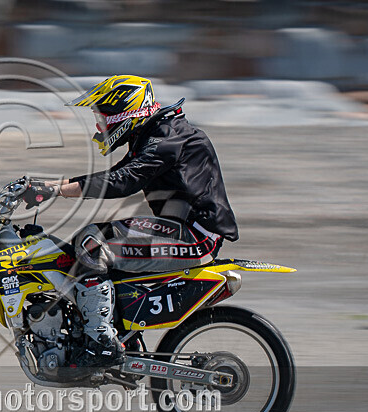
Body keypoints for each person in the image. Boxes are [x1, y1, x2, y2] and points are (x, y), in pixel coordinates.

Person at [22, 75, 238, 363]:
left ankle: (100, 343)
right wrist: (44, 185)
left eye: (103, 115)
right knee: (81, 247)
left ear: (128, 110)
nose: (100, 124)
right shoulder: (154, 135)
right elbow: (117, 175)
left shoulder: (168, 137)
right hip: (182, 231)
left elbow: (123, 181)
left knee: (92, 242)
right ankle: (106, 333)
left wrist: (55, 190)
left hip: (196, 238)